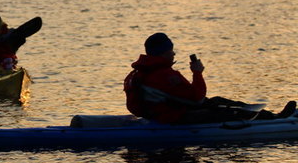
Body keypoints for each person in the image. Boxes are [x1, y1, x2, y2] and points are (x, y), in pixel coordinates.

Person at [124, 32, 295, 124]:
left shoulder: (137, 73)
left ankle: (269, 115)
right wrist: (197, 72)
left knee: (217, 100)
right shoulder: (166, 75)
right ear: (163, 52)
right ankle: (276, 119)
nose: (173, 53)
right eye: (171, 50)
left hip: (161, 114)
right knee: (226, 110)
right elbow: (197, 99)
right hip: (174, 118)